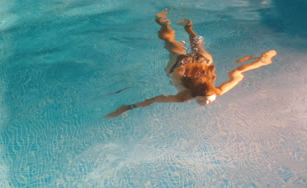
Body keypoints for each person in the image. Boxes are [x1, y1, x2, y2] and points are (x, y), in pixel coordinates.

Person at [106, 10, 277, 118]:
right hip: (181, 66)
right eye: (207, 100)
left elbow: (237, 73)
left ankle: (188, 27)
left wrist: (260, 62)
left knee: (196, 45)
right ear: (193, 94)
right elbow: (238, 73)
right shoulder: (184, 97)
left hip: (200, 63)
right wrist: (259, 62)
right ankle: (162, 21)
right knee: (171, 43)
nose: (208, 103)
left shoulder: (215, 91)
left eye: (207, 100)